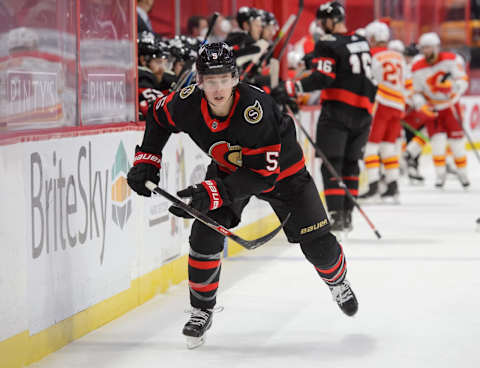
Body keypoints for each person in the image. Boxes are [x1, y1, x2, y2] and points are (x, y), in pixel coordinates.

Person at [126, 42, 359, 349]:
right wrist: (148, 160)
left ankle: (338, 282)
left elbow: (262, 177)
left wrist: (208, 193)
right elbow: (157, 116)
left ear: (235, 78)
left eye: (224, 79)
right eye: (210, 80)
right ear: (198, 81)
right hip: (230, 170)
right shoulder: (185, 103)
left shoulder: (255, 110)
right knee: (204, 233)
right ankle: (201, 310)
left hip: (285, 177)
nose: (218, 88)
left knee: (319, 247)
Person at [273, 1, 376, 232]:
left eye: (322, 21)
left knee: (331, 165)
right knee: (351, 164)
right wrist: (312, 58)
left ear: (331, 20)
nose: (320, 25)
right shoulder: (360, 40)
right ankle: (347, 215)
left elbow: (323, 78)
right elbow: (344, 61)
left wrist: (292, 87)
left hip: (338, 112)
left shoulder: (326, 43)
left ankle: (336, 215)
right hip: (364, 114)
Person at [411, 32, 470, 188]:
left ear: (437, 47)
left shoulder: (451, 60)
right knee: (437, 143)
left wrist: (456, 90)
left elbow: (462, 80)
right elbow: (416, 92)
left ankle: (463, 174)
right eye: (424, 48)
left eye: (429, 47)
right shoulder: (417, 67)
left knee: (457, 143)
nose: (426, 51)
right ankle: (440, 175)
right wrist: (422, 105)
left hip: (451, 107)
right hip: (433, 109)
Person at [361, 21, 406, 201]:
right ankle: (393, 186)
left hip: (381, 104)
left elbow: (368, 81)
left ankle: (373, 188)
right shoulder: (398, 56)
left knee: (370, 149)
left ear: (372, 38)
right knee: (388, 147)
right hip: (399, 105)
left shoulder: (371, 55)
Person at [137, 31, 172, 120]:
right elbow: (161, 113)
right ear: (143, 60)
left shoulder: (159, 80)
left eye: (165, 63)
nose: (162, 69)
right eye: (158, 62)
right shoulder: (142, 80)